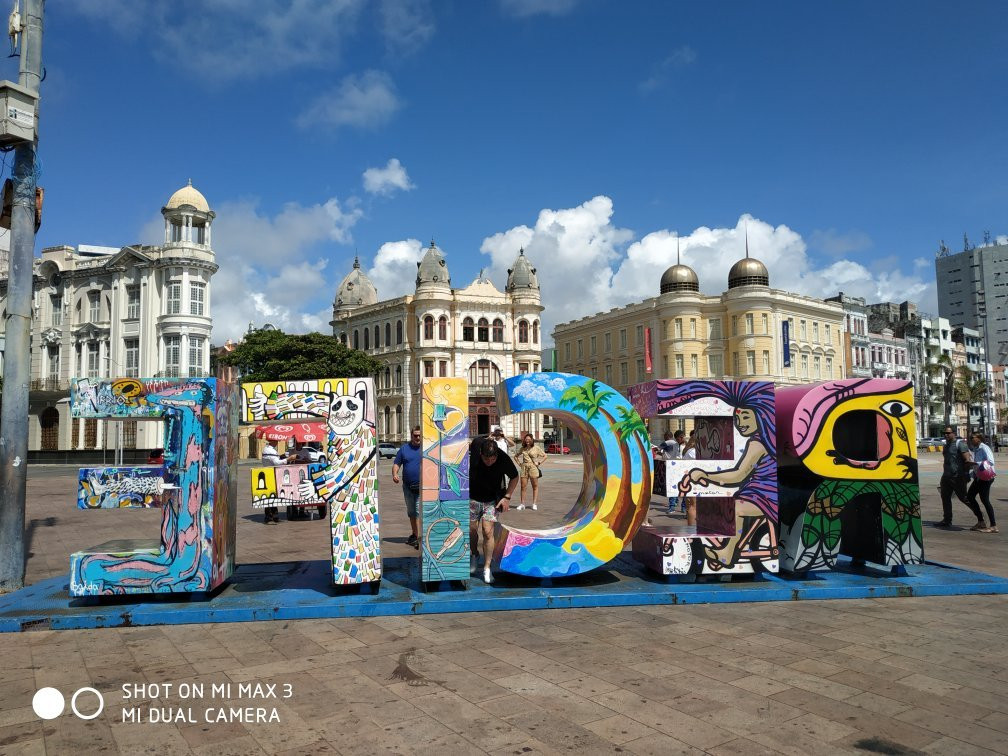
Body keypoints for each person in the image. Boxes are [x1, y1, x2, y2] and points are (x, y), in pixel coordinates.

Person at [469, 437, 519, 584]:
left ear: (496, 455)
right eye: (486, 459)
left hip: (492, 500)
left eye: (492, 459)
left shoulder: (503, 458)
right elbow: (475, 440)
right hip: (472, 498)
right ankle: (474, 555)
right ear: (481, 454)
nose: (489, 462)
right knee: (472, 530)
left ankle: (487, 567)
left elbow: (515, 477)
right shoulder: (476, 447)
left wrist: (507, 497)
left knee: (487, 531)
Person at [937, 426, 984, 529]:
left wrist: (966, 475)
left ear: (954, 433)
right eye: (944, 433)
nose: (946, 435)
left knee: (964, 498)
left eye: (948, 433)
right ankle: (947, 520)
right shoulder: (946, 445)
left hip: (958, 477)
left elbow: (967, 461)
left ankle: (980, 518)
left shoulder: (960, 444)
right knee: (945, 497)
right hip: (946, 476)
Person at [391, 426, 423, 549]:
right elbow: (396, 463)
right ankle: (415, 535)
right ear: (411, 436)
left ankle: (420, 536)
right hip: (408, 487)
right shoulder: (404, 449)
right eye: (415, 435)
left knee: (419, 511)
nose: (418, 438)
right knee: (411, 512)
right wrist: (395, 474)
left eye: (420, 435)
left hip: (422, 488)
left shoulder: (426, 448)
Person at [967, 431, 998, 534]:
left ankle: (993, 525)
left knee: (985, 500)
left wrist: (975, 462)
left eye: (973, 437)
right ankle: (981, 521)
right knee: (970, 496)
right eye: (970, 438)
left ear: (979, 438)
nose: (971, 439)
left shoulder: (984, 447)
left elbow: (991, 461)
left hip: (987, 477)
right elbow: (977, 468)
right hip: (979, 477)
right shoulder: (976, 449)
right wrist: (970, 475)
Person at [515, 434, 547, 510]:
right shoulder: (523, 448)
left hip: (533, 467)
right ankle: (522, 504)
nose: (527, 441)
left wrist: (539, 463)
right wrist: (520, 464)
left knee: (535, 486)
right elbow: (515, 456)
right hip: (524, 468)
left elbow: (545, 456)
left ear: (532, 440)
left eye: (529, 439)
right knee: (523, 486)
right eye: (526, 439)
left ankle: (534, 504)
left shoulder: (536, 448)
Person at [260, 441, 283, 524]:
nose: (277, 442)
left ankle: (274, 515)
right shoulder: (270, 450)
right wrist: (288, 459)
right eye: (276, 441)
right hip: (270, 474)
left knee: (272, 496)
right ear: (272, 441)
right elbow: (277, 462)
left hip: (269, 473)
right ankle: (269, 517)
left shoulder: (267, 449)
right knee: (270, 496)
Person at [664, 429, 686, 515]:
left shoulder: (687, 446)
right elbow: (672, 456)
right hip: (675, 469)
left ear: (682, 437)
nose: (677, 440)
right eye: (676, 439)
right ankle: (672, 506)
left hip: (684, 469)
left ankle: (684, 507)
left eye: (678, 439)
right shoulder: (675, 446)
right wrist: (669, 463)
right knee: (673, 488)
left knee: (684, 489)